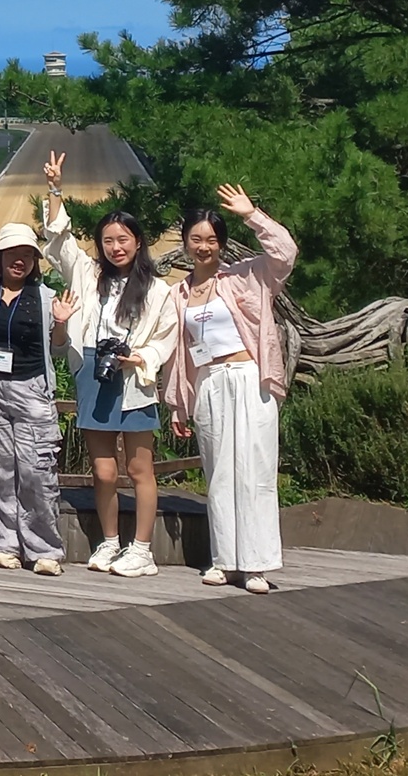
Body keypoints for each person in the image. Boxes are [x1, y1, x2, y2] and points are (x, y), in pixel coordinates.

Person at [43, 150, 179, 578]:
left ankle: (141, 549)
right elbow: (59, 240)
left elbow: (166, 337)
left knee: (140, 468)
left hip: (134, 381)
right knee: (103, 470)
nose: (115, 247)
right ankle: (108, 541)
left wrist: (143, 357)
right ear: (99, 245)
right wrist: (54, 190)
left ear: (138, 242)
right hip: (94, 377)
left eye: (123, 240)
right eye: (108, 241)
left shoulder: (157, 289)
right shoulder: (86, 274)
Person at [164, 185, 297, 594]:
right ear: (185, 242)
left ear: (221, 243)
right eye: (196, 239)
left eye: (212, 239)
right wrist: (176, 404)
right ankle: (225, 559)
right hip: (208, 384)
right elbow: (177, 354)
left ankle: (256, 564)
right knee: (219, 473)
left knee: (255, 470)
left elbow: (285, 254)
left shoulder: (247, 276)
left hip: (249, 379)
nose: (204, 247)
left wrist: (251, 214)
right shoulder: (177, 294)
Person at [0, 223, 67, 576]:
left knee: (35, 470)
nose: (20, 261)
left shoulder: (44, 298)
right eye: (14, 254)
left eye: (27, 255)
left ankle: (45, 548)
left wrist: (61, 324)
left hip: (31, 389)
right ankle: (5, 544)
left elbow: (57, 350)